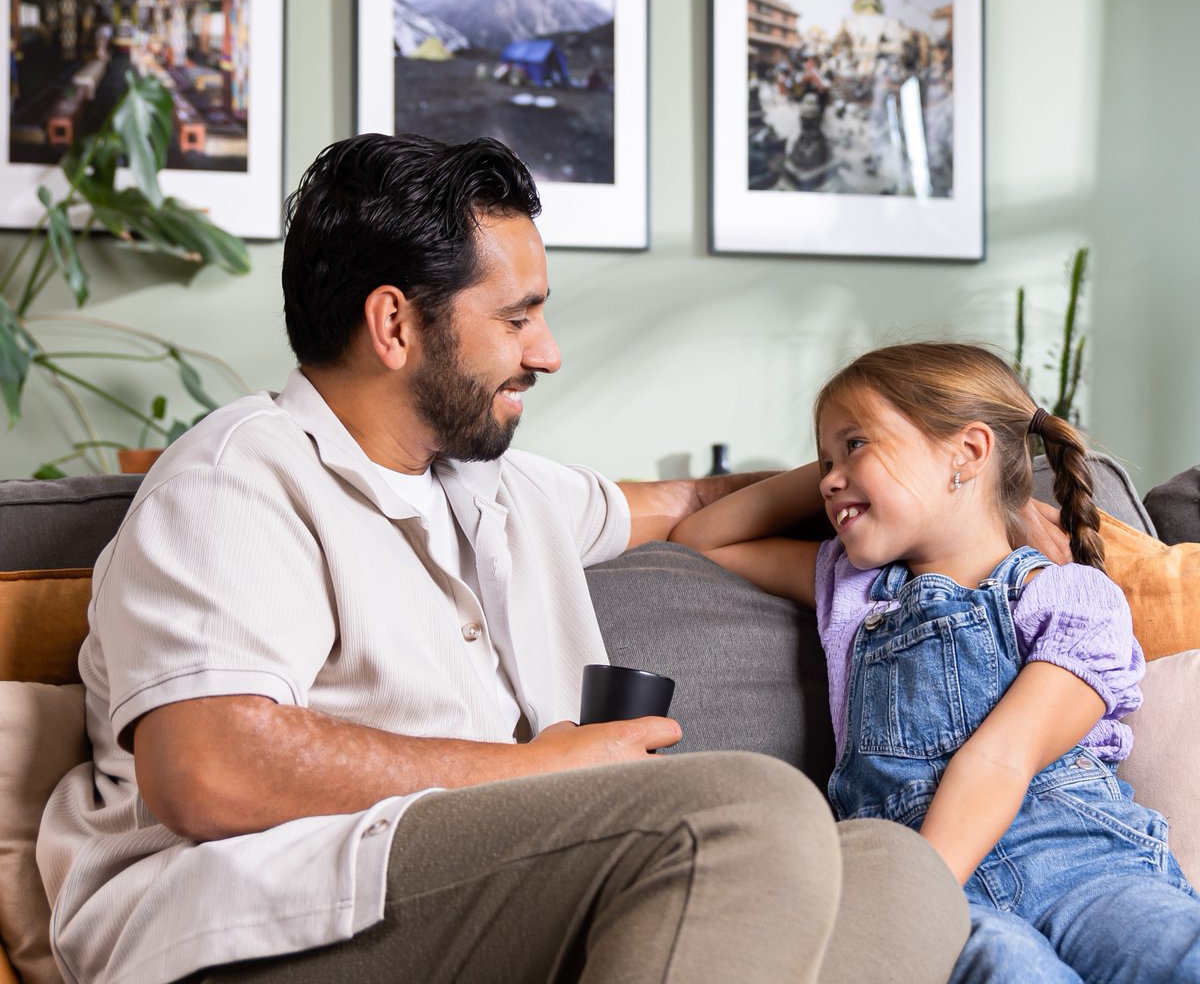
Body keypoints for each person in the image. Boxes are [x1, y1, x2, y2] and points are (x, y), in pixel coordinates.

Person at [38, 135, 968, 984]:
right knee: (739, 810)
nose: (549, 354)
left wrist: (962, 500)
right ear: (395, 325)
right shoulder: (238, 478)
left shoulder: (500, 490)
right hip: (257, 921)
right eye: (517, 319)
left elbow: (691, 502)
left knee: (898, 872)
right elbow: (207, 768)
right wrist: (538, 771)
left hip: (482, 899)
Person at [670, 341, 1200, 982]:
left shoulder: (1071, 598)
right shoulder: (850, 588)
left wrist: (913, 898)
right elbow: (700, 537)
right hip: (923, 873)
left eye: (857, 444)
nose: (828, 479)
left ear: (969, 452)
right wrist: (841, 471)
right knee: (1003, 963)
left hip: (1082, 865)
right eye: (823, 460)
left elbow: (1003, 756)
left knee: (1171, 948)